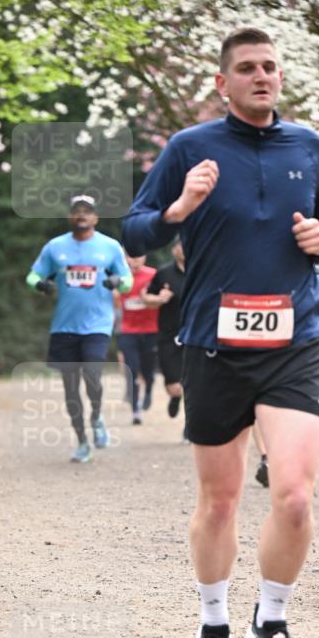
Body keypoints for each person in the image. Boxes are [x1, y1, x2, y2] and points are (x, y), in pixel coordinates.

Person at [123, 26, 319, 638]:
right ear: (223, 83)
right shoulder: (191, 147)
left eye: (270, 66)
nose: (261, 76)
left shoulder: (306, 145)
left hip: (295, 343)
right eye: (246, 68)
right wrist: (181, 205)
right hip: (214, 346)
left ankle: (270, 619)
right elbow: (133, 229)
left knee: (295, 496)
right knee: (218, 503)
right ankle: (213, 625)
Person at [26, 194, 132, 462]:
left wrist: (117, 281)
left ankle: (96, 417)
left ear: (96, 217)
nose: (82, 215)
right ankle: (82, 441)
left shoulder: (109, 247)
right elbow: (32, 275)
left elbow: (128, 281)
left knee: (93, 374)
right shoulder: (55, 247)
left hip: (98, 324)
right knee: (70, 388)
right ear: (70, 216)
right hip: (64, 327)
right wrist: (40, 284)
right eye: (77, 211)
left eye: (87, 211)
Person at [254, 249, 319, 486]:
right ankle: (268, 461)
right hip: (279, 344)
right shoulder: (273, 248)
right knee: (262, 403)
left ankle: (316, 440)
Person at [142, 237, 186, 426]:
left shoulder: (201, 271)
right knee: (174, 386)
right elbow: (146, 298)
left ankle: (189, 426)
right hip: (168, 335)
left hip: (193, 335)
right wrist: (159, 298)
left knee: (194, 384)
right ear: (174, 249)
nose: (184, 249)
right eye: (181, 245)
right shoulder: (163, 273)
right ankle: (175, 397)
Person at [116, 253, 159, 424]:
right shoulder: (120, 277)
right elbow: (114, 301)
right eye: (130, 257)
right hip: (128, 331)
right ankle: (135, 410)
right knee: (131, 369)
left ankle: (149, 387)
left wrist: (149, 299)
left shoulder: (154, 275)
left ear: (145, 257)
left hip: (151, 330)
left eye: (137, 256)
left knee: (148, 369)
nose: (134, 260)